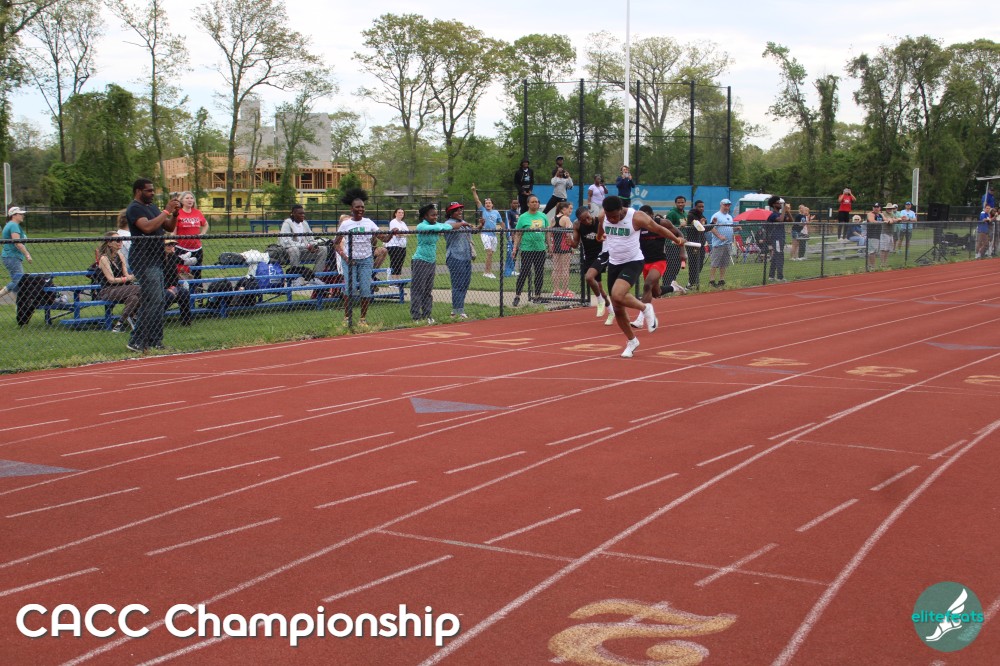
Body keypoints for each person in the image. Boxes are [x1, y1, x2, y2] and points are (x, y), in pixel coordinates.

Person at [597, 196, 684, 358]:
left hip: (633, 261)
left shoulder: (636, 217)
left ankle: (645, 308)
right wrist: (599, 235)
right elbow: (601, 228)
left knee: (617, 294)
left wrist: (676, 239)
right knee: (617, 307)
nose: (612, 220)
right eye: (609, 217)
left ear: (621, 210)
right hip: (614, 263)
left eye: (615, 216)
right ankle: (632, 341)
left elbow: (658, 229)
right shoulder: (603, 216)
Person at [125, 178, 179, 353]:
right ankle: (136, 340)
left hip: (156, 258)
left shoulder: (153, 208)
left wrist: (174, 215)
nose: (152, 193)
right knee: (153, 299)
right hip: (143, 259)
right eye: (148, 190)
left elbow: (168, 226)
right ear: (138, 191)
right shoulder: (134, 208)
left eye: (153, 190)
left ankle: (155, 340)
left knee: (160, 299)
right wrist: (166, 210)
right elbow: (147, 227)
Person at [333, 188, 396, 327]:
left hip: (366, 259)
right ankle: (347, 317)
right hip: (350, 260)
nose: (360, 209)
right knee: (350, 289)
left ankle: (362, 319)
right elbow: (336, 243)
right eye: (357, 207)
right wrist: (345, 257)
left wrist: (391, 233)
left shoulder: (369, 223)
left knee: (365, 289)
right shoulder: (346, 224)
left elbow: (384, 238)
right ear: (351, 209)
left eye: (362, 207)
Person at [630, 204, 687, 330]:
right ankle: (674, 287)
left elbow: (679, 234)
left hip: (659, 261)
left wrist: (682, 251)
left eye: (646, 217)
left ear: (651, 215)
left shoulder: (663, 223)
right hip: (644, 261)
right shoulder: (637, 226)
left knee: (647, 285)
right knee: (656, 292)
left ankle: (640, 319)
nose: (643, 220)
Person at [568, 207, 612, 324]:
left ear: (590, 213)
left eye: (588, 217)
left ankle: (600, 301)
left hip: (602, 254)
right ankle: (611, 311)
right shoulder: (577, 225)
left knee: (589, 277)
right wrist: (571, 243)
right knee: (599, 288)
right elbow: (575, 244)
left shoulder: (599, 222)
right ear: (579, 220)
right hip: (589, 257)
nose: (587, 221)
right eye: (583, 220)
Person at [93, 232, 139, 333]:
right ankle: (134, 317)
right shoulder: (104, 258)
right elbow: (111, 279)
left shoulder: (120, 256)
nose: (120, 242)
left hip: (123, 289)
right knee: (141, 289)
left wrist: (135, 276)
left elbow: (126, 275)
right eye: (118, 240)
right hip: (108, 290)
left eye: (121, 240)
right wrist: (127, 279)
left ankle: (119, 325)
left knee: (134, 298)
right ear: (109, 243)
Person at [512, 194, 550, 306]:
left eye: (536, 202)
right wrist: (515, 248)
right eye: (533, 202)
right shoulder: (523, 217)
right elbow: (518, 234)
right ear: (528, 204)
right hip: (527, 249)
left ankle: (537, 296)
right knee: (524, 271)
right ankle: (517, 295)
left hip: (540, 249)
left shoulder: (543, 216)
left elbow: (547, 232)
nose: (535, 204)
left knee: (539, 272)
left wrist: (550, 246)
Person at [443, 202, 474, 318]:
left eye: (460, 209)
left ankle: (459, 309)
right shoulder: (448, 223)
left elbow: (473, 231)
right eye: (456, 210)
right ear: (451, 213)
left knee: (465, 284)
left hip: (466, 256)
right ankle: (457, 311)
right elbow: (452, 227)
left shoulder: (463, 222)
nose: (460, 211)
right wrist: (463, 224)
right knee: (458, 284)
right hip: (455, 256)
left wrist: (480, 226)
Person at [279, 204, 328, 274]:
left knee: (323, 249)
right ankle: (295, 277)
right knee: (294, 249)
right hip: (288, 254)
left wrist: (314, 245)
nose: (303, 215)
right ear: (293, 214)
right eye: (300, 214)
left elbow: (311, 239)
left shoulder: (304, 223)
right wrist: (307, 246)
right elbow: (286, 242)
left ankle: (317, 276)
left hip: (304, 252)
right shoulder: (287, 223)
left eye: (303, 213)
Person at [0, 206, 32, 301]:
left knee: (18, 281)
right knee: (19, 280)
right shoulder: (13, 225)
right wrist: (27, 254)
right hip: (11, 257)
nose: (23, 216)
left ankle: (19, 303)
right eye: (20, 214)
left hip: (12, 257)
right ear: (14, 215)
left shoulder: (11, 225)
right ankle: (20, 303)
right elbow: (17, 242)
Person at [174, 191, 208, 281]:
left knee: (197, 273)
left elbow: (205, 224)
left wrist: (202, 234)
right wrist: (172, 244)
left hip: (197, 248)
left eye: (191, 198)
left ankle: (197, 289)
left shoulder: (197, 212)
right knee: (182, 273)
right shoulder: (178, 213)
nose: (190, 200)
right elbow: (173, 231)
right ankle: (183, 290)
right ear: (182, 201)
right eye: (187, 198)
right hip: (181, 248)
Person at [471, 185, 501, 278]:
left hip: (493, 235)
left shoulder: (496, 212)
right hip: (485, 233)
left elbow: (501, 222)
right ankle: (487, 272)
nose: (487, 204)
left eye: (489, 203)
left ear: (492, 204)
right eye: (486, 203)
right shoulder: (483, 210)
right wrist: (474, 191)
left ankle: (489, 271)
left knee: (491, 254)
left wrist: (508, 231)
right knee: (489, 252)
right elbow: (477, 201)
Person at [162, 237, 193, 326]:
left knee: (184, 293)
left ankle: (186, 321)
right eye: (168, 245)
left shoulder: (172, 256)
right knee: (169, 295)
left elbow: (183, 262)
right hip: (161, 287)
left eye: (172, 245)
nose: (170, 247)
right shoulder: (158, 258)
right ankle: (155, 319)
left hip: (173, 286)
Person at [662, 196, 689, 294]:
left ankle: (672, 284)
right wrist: (679, 227)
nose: (681, 204)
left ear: (685, 203)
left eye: (682, 202)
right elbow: (667, 227)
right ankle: (666, 286)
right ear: (675, 203)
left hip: (680, 244)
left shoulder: (685, 213)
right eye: (679, 202)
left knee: (677, 266)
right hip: (671, 244)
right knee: (670, 266)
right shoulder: (672, 213)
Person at [708, 199, 737, 288]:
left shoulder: (729, 217)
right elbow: (711, 227)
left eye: (728, 205)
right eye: (725, 205)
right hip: (718, 243)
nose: (727, 207)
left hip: (727, 243)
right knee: (715, 262)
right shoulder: (716, 215)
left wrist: (736, 229)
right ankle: (712, 281)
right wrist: (719, 236)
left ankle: (721, 280)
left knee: (724, 263)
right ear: (721, 205)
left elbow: (730, 228)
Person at [550, 201, 574, 297]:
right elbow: (569, 233)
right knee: (565, 269)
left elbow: (550, 232)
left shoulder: (553, 218)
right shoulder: (566, 218)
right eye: (569, 209)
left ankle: (556, 290)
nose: (570, 211)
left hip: (555, 246)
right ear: (563, 209)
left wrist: (550, 245)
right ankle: (565, 291)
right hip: (565, 246)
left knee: (556, 269)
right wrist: (572, 244)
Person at [684, 200, 708, 289]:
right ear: (695, 207)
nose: (701, 208)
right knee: (693, 263)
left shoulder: (702, 215)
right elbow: (697, 227)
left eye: (702, 206)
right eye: (699, 207)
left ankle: (693, 281)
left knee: (700, 263)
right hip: (693, 244)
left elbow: (705, 229)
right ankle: (690, 283)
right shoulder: (691, 215)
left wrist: (713, 223)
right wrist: (701, 223)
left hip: (701, 243)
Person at [765, 196, 787, 281]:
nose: (780, 203)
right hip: (776, 238)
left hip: (781, 237)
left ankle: (771, 276)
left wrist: (787, 211)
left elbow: (791, 220)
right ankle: (780, 277)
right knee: (779, 256)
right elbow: (780, 220)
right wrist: (784, 209)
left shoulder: (780, 214)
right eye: (778, 202)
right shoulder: (773, 215)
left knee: (776, 256)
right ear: (774, 205)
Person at [866, 202, 892, 269]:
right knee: (872, 251)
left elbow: (887, 220)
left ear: (880, 208)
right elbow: (872, 221)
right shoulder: (870, 214)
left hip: (878, 234)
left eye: (877, 207)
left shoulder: (880, 214)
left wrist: (889, 220)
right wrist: (883, 222)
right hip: (872, 235)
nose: (876, 208)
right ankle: (871, 267)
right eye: (875, 207)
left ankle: (871, 266)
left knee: (875, 251)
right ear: (873, 208)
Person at [385, 208, 409, 278]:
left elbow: (408, 233)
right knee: (395, 262)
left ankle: (398, 280)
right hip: (394, 245)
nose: (401, 214)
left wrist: (403, 234)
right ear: (395, 214)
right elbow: (397, 234)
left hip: (402, 246)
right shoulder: (393, 222)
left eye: (402, 212)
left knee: (400, 263)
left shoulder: (403, 223)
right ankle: (392, 280)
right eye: (399, 212)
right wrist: (404, 234)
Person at [503, 198, 520, 277]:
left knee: (515, 251)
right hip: (512, 234)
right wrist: (511, 233)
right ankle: (509, 269)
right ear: (511, 204)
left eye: (517, 203)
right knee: (511, 251)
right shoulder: (509, 212)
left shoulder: (517, 213)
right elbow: (508, 223)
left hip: (517, 235)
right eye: (514, 203)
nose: (515, 205)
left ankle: (513, 268)